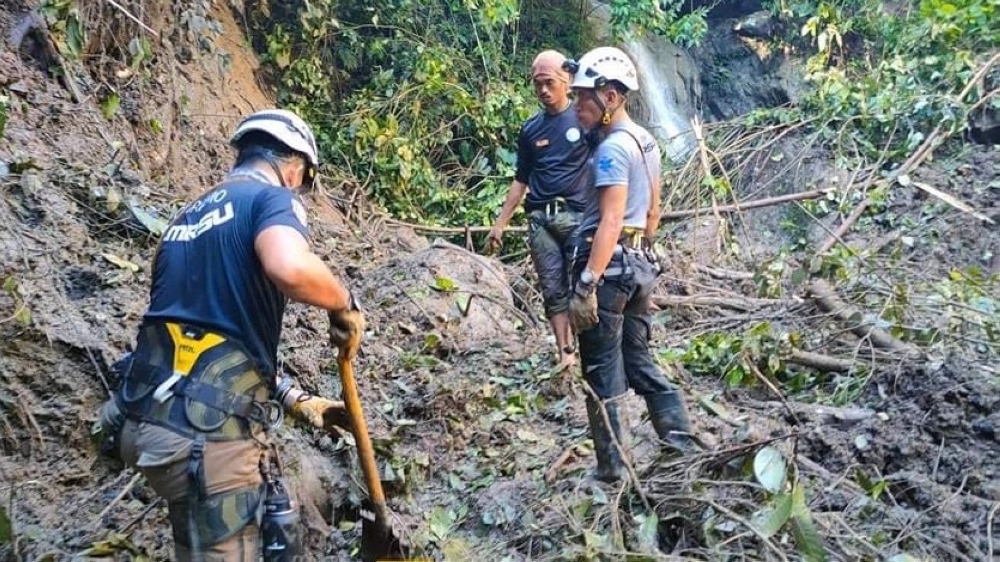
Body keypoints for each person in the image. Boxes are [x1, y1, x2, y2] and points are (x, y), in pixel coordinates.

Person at [94, 108, 365, 560]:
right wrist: (344, 302)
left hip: (141, 423)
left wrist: (294, 398)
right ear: (294, 167)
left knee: (195, 537)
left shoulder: (185, 219)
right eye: (302, 180)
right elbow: (290, 267)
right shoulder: (272, 199)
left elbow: (196, 337)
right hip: (205, 440)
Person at [562, 47, 701, 482]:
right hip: (638, 266)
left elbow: (609, 221)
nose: (576, 106)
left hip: (610, 272)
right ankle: (680, 443)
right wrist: (644, 252)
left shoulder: (612, 151)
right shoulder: (644, 140)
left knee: (601, 372)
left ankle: (612, 473)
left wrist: (586, 285)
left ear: (611, 97)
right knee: (638, 360)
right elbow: (653, 209)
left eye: (584, 98)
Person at [487, 49, 593, 369]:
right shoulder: (530, 130)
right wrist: (500, 223)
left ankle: (593, 352)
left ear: (566, 81)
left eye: (549, 83)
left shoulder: (584, 120)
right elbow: (521, 181)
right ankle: (565, 354)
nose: (543, 91)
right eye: (538, 85)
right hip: (541, 221)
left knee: (584, 286)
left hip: (578, 217)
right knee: (552, 289)